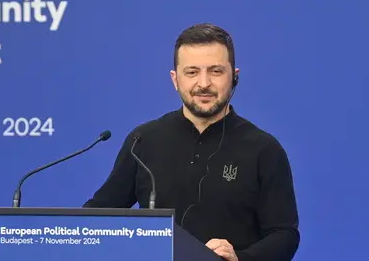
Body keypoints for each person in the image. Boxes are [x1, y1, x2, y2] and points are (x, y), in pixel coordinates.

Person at [83, 23, 300, 261]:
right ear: (175, 79)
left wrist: (241, 258)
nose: (204, 83)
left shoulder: (264, 149)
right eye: (192, 72)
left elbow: (284, 234)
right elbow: (98, 218)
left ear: (235, 77)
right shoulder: (143, 141)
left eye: (216, 71)